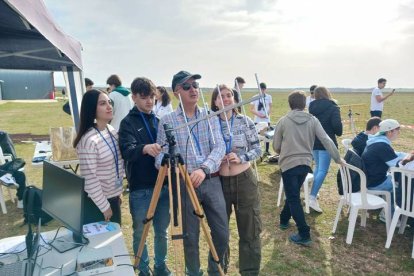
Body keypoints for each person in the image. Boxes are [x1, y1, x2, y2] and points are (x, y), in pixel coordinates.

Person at [155, 71, 228, 276]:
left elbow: (219, 146)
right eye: (187, 86)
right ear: (177, 92)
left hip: (211, 181)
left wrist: (203, 169)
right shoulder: (167, 121)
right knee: (190, 237)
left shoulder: (209, 116)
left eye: (195, 85)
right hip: (183, 185)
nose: (193, 89)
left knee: (222, 233)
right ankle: (193, 272)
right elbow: (159, 158)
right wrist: (175, 166)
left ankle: (215, 270)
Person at [273, 90, 342, 246]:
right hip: (305, 164)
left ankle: (304, 233)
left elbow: (276, 146)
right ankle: (284, 219)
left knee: (293, 197)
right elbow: (327, 140)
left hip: (288, 164)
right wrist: (338, 158)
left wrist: (283, 151)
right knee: (293, 194)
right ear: (305, 104)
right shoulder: (313, 120)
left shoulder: (283, 121)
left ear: (290, 104)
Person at [119, 78, 171, 276]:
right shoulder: (127, 123)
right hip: (141, 188)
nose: (149, 101)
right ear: (134, 97)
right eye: (144, 98)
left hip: (163, 186)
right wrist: (145, 149)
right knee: (141, 232)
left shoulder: (158, 121)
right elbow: (127, 151)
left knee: (161, 232)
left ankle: (160, 267)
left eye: (152, 97)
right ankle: (142, 270)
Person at [211, 84, 262, 275]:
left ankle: (249, 272)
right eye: (221, 96)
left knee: (249, 230)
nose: (225, 99)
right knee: (220, 231)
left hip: (244, 181)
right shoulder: (210, 123)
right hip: (219, 183)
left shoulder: (245, 121)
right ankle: (219, 269)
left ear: (234, 99)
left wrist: (241, 157)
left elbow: (257, 148)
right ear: (215, 102)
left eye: (229, 95)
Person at [73, 89, 124, 224]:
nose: (109, 106)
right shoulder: (88, 140)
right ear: (92, 109)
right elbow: (90, 179)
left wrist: (117, 192)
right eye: (102, 103)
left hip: (113, 197)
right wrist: (104, 207)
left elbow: (116, 163)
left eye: (109, 102)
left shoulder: (110, 130)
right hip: (97, 203)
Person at [362, 119, 409, 217]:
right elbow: (396, 165)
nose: (399, 132)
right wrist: (408, 160)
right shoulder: (382, 145)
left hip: (370, 178)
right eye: (397, 130)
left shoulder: (377, 141)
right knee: (401, 186)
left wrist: (408, 156)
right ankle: (388, 215)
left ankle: (392, 211)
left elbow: (393, 155)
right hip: (375, 182)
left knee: (397, 181)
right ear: (389, 131)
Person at [308, 86, 343, 213]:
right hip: (326, 142)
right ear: (328, 94)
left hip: (313, 141)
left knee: (318, 167)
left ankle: (313, 192)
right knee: (322, 169)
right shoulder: (333, 107)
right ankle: (311, 197)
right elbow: (338, 129)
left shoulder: (311, 107)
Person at [250, 82, 272, 156]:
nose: (262, 91)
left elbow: (270, 107)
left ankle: (267, 150)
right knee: (257, 136)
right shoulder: (254, 97)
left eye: (263, 89)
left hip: (266, 119)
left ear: (265, 89)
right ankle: (257, 150)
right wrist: (259, 114)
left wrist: (266, 114)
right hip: (257, 120)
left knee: (267, 135)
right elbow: (251, 109)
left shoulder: (269, 97)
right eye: (260, 89)